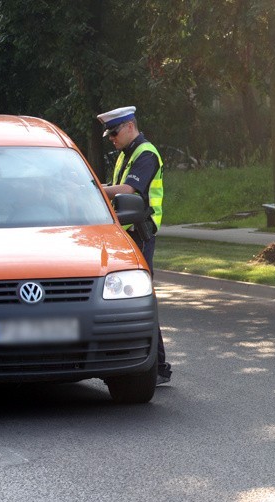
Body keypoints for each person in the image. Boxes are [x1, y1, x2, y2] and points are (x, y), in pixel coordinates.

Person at [97, 106, 171, 385]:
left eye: (114, 132)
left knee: (141, 299)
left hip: (140, 235)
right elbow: (119, 187)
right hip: (125, 236)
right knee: (136, 298)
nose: (112, 138)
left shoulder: (146, 154)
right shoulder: (126, 155)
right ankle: (156, 365)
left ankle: (159, 366)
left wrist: (97, 188)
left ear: (129, 126)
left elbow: (128, 190)